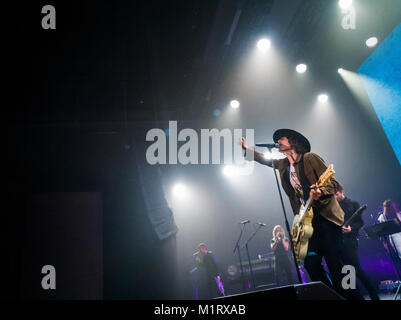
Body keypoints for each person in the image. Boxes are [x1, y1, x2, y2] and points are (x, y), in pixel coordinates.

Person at [241, 129, 362, 300]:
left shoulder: (310, 158)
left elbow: (333, 184)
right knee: (311, 265)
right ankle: (332, 297)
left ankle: (353, 297)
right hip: (307, 224)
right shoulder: (283, 165)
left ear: (292, 142)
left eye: (281, 139)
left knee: (336, 266)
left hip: (326, 219)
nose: (277, 141)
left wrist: (320, 190)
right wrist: (247, 149)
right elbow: (264, 160)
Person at [334, 185, 380, 300]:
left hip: (350, 240)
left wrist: (351, 229)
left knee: (356, 269)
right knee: (346, 270)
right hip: (339, 241)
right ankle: (357, 297)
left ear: (341, 191)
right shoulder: (333, 207)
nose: (334, 197)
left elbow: (360, 223)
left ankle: (374, 295)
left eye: (336, 194)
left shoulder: (353, 203)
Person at [377, 200, 401, 274]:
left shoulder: (398, 214)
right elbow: (381, 232)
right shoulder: (382, 217)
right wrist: (385, 244)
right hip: (392, 240)